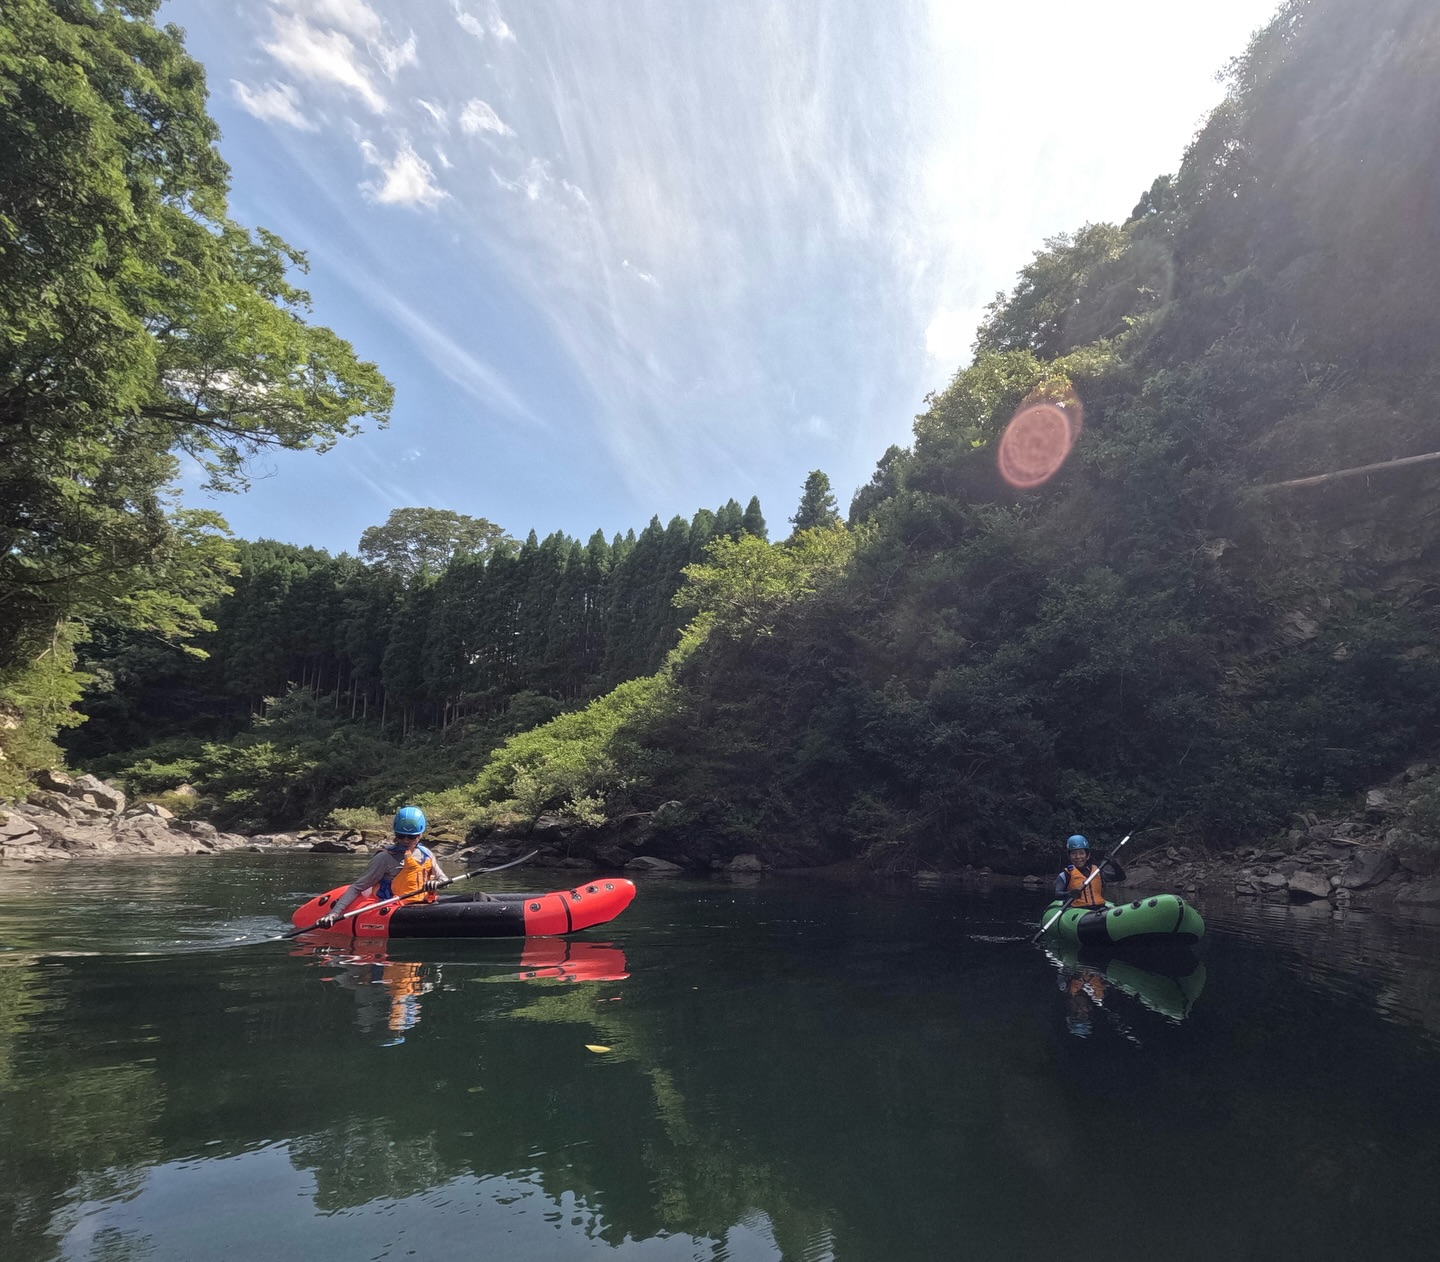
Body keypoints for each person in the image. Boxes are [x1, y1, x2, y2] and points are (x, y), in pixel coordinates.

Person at [316, 806, 449, 928]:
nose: (406, 840)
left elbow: (444, 880)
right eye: (401, 836)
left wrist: (437, 883)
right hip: (394, 908)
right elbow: (357, 887)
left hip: (423, 903)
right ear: (395, 834)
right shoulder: (384, 858)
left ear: (420, 835)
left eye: (412, 836)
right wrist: (333, 913)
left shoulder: (427, 854)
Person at [1053, 834, 1125, 909]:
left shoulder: (1097, 872)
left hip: (1099, 908)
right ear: (1069, 856)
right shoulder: (1065, 875)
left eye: (1081, 853)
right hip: (1078, 911)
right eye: (1074, 853)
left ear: (1088, 856)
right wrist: (1070, 894)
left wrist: (1114, 865)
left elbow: (1121, 877)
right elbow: (1057, 894)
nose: (1078, 857)